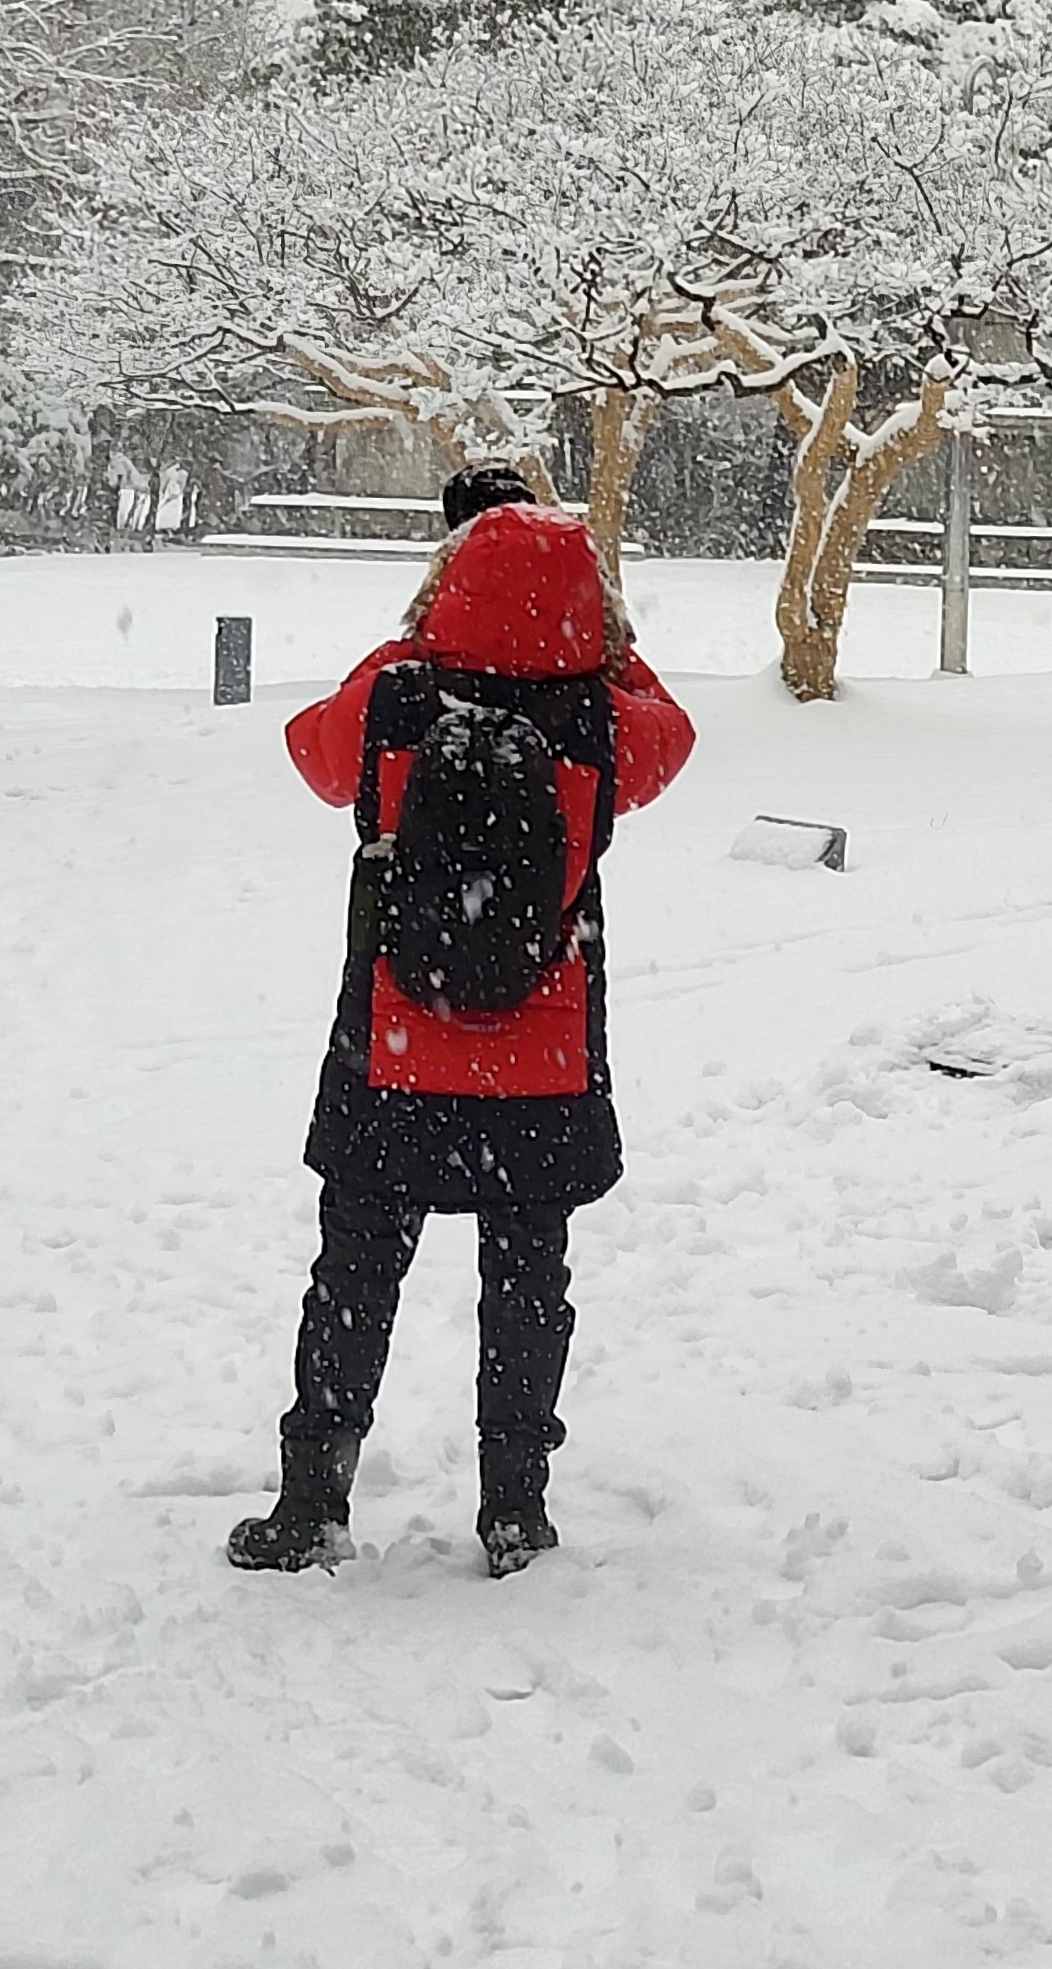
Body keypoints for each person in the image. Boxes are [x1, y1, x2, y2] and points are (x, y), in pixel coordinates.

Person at [226, 472, 695, 1577]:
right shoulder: (603, 724)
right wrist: (602, 644)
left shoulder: (397, 700)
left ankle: (311, 1502)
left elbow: (310, 746)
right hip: (542, 1062)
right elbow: (674, 733)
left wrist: (421, 633)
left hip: (396, 1045)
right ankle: (515, 1510)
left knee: (352, 1277)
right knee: (529, 1287)